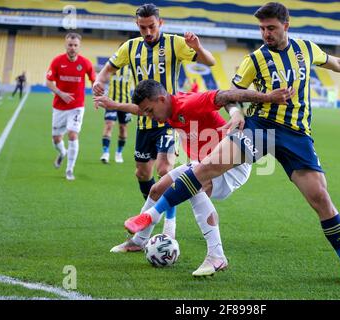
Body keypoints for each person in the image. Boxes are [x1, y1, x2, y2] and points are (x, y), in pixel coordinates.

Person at [124, 2, 340, 286]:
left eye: (271, 28)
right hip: (259, 127)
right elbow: (232, 95)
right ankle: (150, 216)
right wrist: (237, 115)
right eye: (262, 29)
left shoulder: (307, 49)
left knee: (321, 199)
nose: (266, 34)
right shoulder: (254, 59)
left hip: (297, 134)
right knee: (205, 168)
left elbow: (335, 63)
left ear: (286, 25)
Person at [94, 79, 294, 276]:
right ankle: (139, 241)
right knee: (157, 189)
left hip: (230, 165)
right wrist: (114, 105)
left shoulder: (189, 103)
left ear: (162, 100)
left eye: (150, 111)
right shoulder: (166, 109)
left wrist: (257, 102)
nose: (149, 116)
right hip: (202, 163)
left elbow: (225, 95)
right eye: (146, 112)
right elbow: (140, 109)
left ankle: (217, 256)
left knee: (194, 189)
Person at [93, 3, 216, 239]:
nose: (148, 32)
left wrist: (198, 47)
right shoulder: (130, 47)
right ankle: (152, 213)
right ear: (136, 25)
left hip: (169, 119)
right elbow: (107, 69)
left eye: (152, 26)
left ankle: (169, 226)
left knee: (164, 169)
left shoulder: (174, 43)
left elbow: (210, 63)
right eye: (143, 27)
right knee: (142, 173)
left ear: (160, 23)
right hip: (144, 121)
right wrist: (100, 80)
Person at [46, 33, 96, 180]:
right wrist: (61, 94)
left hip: (77, 106)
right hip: (59, 106)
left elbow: (94, 80)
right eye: (70, 45)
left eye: (75, 45)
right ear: (65, 45)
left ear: (79, 47)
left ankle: (69, 170)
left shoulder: (85, 63)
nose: (72, 48)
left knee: (73, 134)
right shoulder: (57, 61)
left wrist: (97, 95)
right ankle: (62, 153)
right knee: (56, 138)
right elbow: (48, 82)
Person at [100, 63, 133, 164]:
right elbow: (101, 77)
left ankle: (119, 153)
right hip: (111, 102)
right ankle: (105, 153)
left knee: (123, 128)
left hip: (125, 103)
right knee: (109, 124)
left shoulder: (132, 68)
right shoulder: (111, 67)